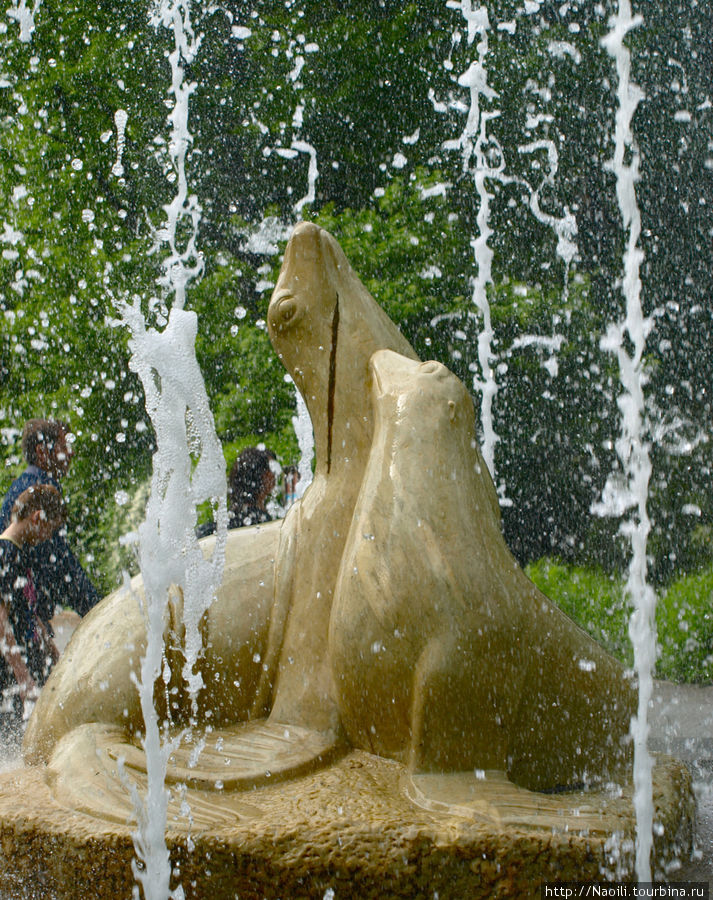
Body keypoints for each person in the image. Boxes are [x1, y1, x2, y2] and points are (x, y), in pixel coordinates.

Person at [0, 419, 99, 625]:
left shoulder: (21, 487)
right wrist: (98, 612)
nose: (70, 453)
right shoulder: (43, 492)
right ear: (42, 452)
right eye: (64, 447)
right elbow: (62, 566)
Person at [0, 485, 65, 737]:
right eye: (50, 528)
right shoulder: (4, 553)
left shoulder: (18, 552)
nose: (48, 537)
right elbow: (1, 621)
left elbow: (26, 607)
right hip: (11, 681)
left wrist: (51, 649)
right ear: (37, 517)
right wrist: (23, 678)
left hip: (24, 672)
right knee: (16, 745)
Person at [227, 447, 277, 528]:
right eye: (271, 468)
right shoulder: (260, 520)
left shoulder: (232, 516)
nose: (274, 473)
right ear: (259, 474)